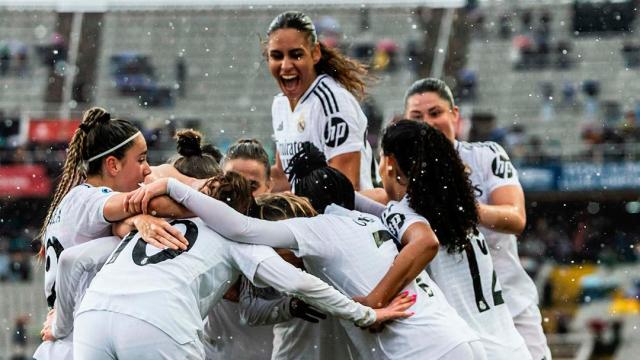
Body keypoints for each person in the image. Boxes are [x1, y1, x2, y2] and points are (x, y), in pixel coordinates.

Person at [128, 158, 483, 359]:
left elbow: (242, 229)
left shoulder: (321, 227)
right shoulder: (377, 220)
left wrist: (174, 188)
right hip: (458, 339)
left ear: (311, 206)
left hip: (420, 351)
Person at [70, 172, 411, 359]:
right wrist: (365, 314)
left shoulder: (156, 224)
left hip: (93, 315)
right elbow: (301, 284)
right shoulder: (240, 239)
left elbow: (74, 259)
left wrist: (59, 325)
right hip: (157, 321)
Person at [403, 78, 551, 360]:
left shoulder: (486, 155)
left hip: (509, 304)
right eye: (416, 116)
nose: (427, 124)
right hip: (451, 319)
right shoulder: (400, 179)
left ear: (454, 116)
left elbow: (516, 217)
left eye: (435, 113)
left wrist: (464, 207)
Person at [368, 120, 530, 359]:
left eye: (380, 158)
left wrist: (374, 302)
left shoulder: (403, 212)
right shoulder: (458, 212)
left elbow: (424, 243)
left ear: (390, 164)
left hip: (469, 350)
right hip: (513, 349)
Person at [33, 107, 186, 360]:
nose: (147, 169)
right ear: (113, 165)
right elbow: (135, 203)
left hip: (65, 346)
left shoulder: (76, 201)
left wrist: (136, 219)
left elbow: (121, 224)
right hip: (75, 343)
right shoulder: (88, 199)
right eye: (141, 159)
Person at [266, 11, 376, 192]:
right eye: (277, 56)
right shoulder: (280, 104)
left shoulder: (333, 102)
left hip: (344, 217)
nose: (285, 65)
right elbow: (283, 178)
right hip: (305, 216)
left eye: (296, 55)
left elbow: (346, 187)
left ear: (315, 53)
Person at [203, 138, 275, 359]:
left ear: (270, 186)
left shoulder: (288, 230)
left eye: (252, 186)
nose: (242, 195)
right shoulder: (201, 224)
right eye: (234, 182)